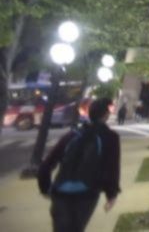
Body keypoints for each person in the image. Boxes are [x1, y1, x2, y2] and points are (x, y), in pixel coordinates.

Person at [37, 97, 121, 232]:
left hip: (60, 191)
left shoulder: (72, 135)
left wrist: (45, 188)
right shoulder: (110, 137)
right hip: (87, 193)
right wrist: (111, 194)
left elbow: (47, 164)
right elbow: (112, 168)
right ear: (106, 115)